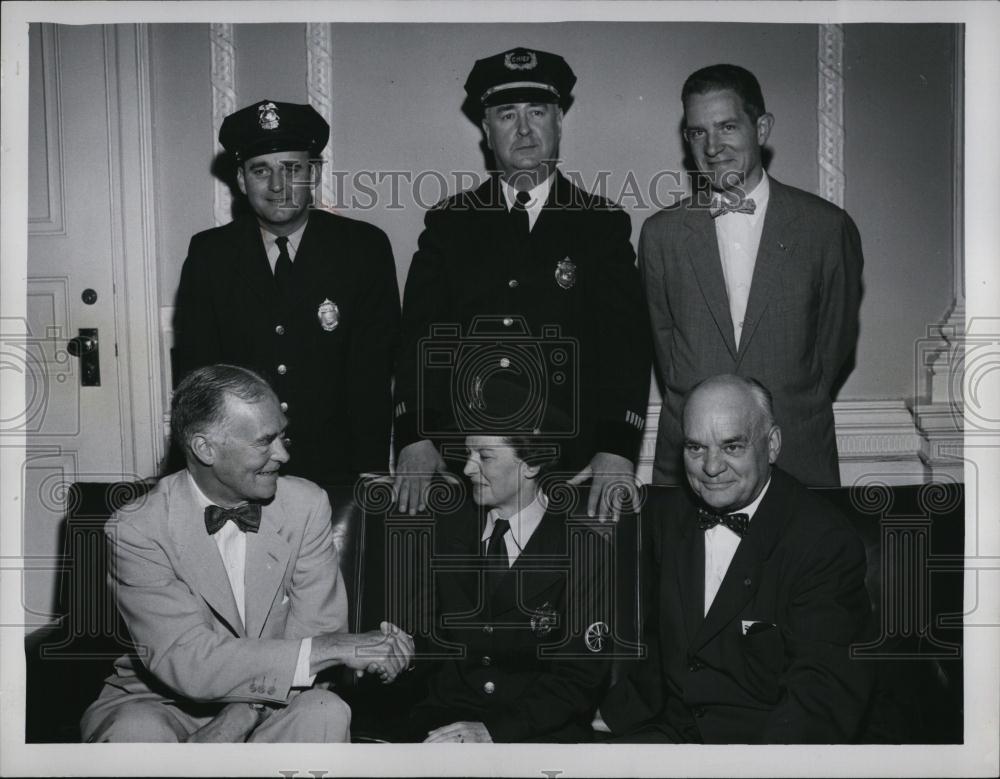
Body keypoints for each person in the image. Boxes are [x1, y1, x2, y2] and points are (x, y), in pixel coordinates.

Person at [80, 365, 414, 742]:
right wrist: (335, 648)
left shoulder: (305, 505)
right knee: (135, 733)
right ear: (206, 449)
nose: (282, 454)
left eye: (282, 436)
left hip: (278, 698)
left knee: (325, 711)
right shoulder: (137, 529)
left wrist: (245, 712)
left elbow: (316, 632)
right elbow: (188, 661)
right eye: (264, 441)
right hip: (161, 701)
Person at [392, 46, 650, 520]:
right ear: (487, 130)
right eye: (507, 114)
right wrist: (416, 436)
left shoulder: (601, 225)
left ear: (558, 123)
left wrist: (617, 449)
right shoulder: (450, 224)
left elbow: (625, 348)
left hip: (570, 464)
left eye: (538, 112)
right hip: (464, 465)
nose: (525, 129)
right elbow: (417, 342)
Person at [601, 374, 873, 743]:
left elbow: (818, 700)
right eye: (695, 448)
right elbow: (660, 646)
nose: (711, 468)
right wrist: (609, 719)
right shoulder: (668, 517)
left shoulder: (824, 542)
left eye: (732, 447)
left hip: (763, 749)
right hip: (672, 735)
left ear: (772, 444)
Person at [641, 64, 863, 486]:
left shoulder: (826, 228)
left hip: (797, 456)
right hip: (692, 467)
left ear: (761, 128)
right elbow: (665, 349)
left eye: (727, 126)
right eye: (696, 132)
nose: (711, 146)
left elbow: (834, 346)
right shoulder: (660, 234)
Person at [173, 100, 400, 485]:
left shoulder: (362, 249)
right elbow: (198, 378)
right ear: (242, 181)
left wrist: (370, 473)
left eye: (292, 169)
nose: (278, 186)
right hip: (237, 467)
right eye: (261, 171)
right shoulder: (210, 255)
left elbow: (372, 376)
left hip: (335, 466)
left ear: (313, 174)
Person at [387, 375, 614, 742]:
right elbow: (432, 638)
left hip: (536, 733)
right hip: (446, 721)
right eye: (468, 453)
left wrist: (493, 732)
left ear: (532, 464)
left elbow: (578, 680)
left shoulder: (584, 550)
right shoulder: (445, 533)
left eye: (485, 456)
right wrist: (404, 651)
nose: (467, 468)